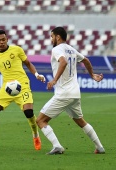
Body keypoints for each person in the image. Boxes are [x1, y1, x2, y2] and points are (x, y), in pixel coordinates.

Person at [36, 27, 105, 155]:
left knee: (40, 120)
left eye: (52, 36)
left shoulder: (57, 49)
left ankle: (57, 146)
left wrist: (55, 80)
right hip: (75, 93)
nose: (51, 39)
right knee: (80, 121)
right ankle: (99, 147)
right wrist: (92, 75)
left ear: (57, 37)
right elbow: (86, 60)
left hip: (64, 93)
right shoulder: (72, 49)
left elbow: (63, 62)